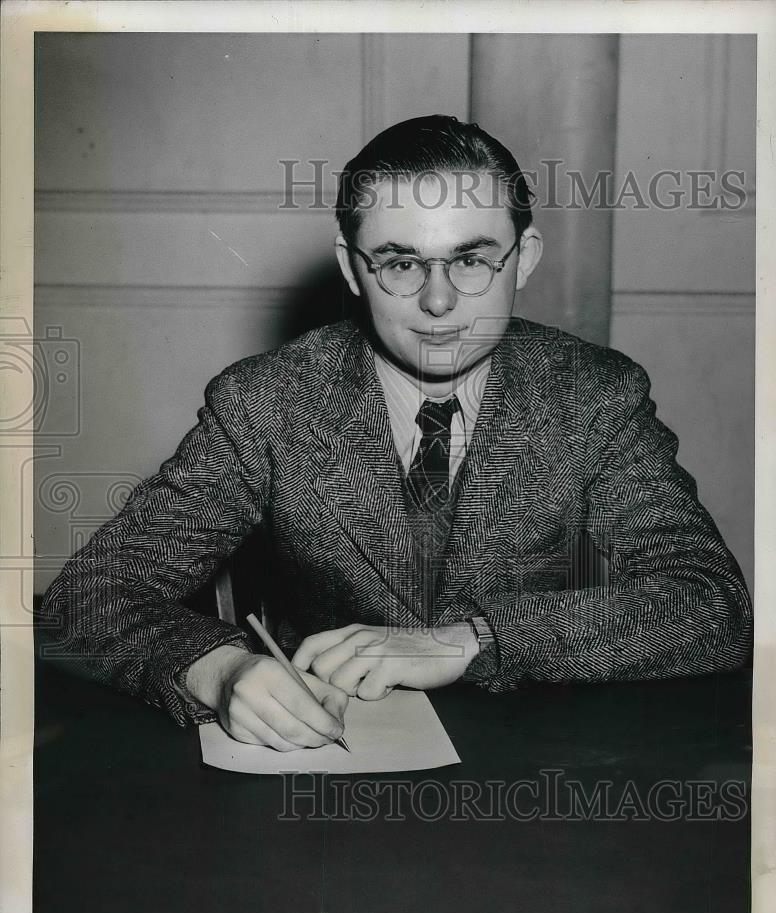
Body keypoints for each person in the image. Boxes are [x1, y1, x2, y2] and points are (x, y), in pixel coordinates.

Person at [42, 115, 753, 751]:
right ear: (354, 268)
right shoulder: (267, 402)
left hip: (537, 772)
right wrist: (219, 669)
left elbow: (713, 608)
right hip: (319, 761)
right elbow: (88, 597)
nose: (438, 301)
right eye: (400, 262)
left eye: (472, 260)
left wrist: (472, 640)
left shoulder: (593, 396)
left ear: (525, 258)